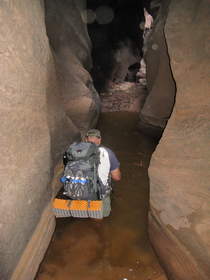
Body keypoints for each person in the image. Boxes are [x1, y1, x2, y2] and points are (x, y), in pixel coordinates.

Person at [85, 128, 121, 217]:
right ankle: (97, 225)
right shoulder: (107, 153)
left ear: (86, 139)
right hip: (99, 192)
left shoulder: (76, 152)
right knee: (100, 215)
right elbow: (117, 177)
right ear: (99, 139)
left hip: (80, 190)